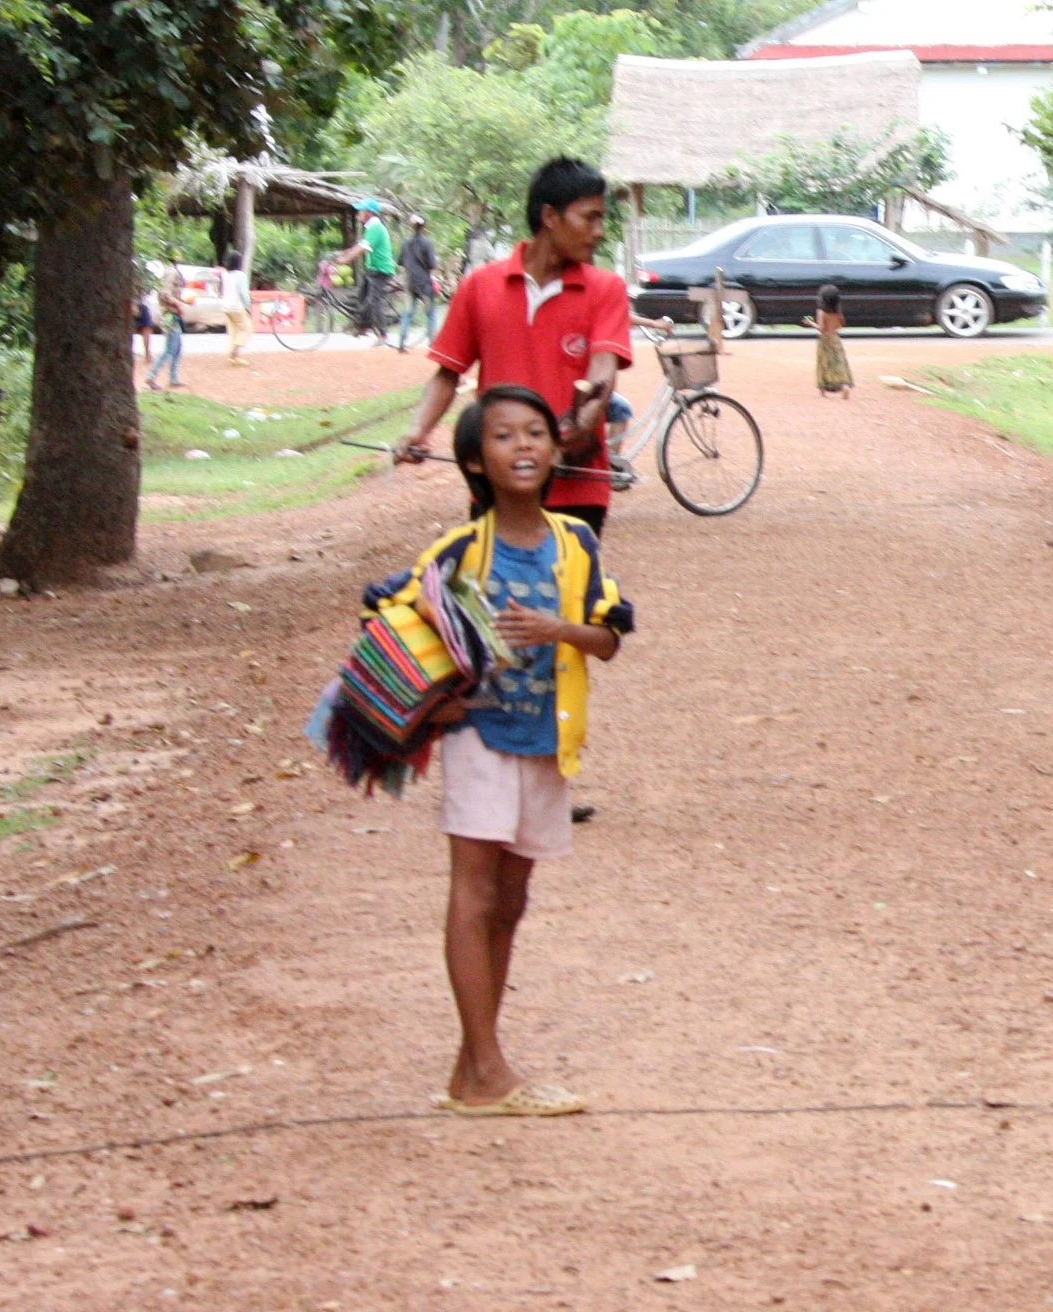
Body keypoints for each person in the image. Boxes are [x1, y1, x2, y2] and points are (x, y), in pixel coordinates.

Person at [369, 384, 634, 1117]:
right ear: (475, 462)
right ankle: (490, 1069)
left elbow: (609, 639)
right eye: (503, 437)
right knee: (475, 890)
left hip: (548, 741)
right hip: (478, 738)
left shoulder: (577, 544)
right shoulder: (457, 553)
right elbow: (390, 623)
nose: (523, 447)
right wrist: (433, 707)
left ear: (559, 449)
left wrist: (561, 631)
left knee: (511, 900)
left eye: (536, 434)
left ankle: (470, 1070)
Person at [400, 157, 632, 540]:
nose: (599, 231)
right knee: (496, 597)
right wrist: (417, 431)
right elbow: (447, 373)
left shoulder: (606, 289)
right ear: (550, 217)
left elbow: (601, 376)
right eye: (589, 218)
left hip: (577, 488)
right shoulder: (480, 286)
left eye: (600, 219)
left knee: (567, 596)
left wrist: (573, 431)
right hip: (497, 488)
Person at [330, 197, 398, 337]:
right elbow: (359, 246)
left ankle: (383, 333)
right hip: (371, 270)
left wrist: (345, 260)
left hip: (381, 270)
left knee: (373, 302)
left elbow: (362, 249)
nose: (358, 214)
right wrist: (343, 254)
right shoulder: (371, 228)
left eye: (360, 211)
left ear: (368, 213)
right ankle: (362, 327)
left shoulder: (376, 227)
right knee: (361, 298)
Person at [395, 215, 440, 352]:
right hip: (424, 283)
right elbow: (432, 264)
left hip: (410, 282)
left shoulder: (406, 243)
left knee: (407, 313)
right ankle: (433, 343)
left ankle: (402, 343)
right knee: (430, 313)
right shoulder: (427, 243)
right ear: (423, 227)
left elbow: (400, 262)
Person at [807, 283, 854, 398]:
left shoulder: (821, 312)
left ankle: (823, 389)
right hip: (836, 339)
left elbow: (821, 328)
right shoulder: (837, 312)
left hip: (825, 340)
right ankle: (844, 385)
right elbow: (841, 324)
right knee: (839, 362)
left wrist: (810, 323)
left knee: (824, 363)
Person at [145, 267, 185, 391]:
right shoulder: (165, 289)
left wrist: (181, 302)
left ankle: (173, 378)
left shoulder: (169, 288)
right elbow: (167, 296)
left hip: (173, 318)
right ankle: (151, 376)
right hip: (170, 318)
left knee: (177, 349)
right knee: (169, 350)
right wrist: (177, 303)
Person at [219, 250, 253, 367]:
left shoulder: (225, 275)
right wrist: (248, 306)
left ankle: (233, 357)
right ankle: (233, 354)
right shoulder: (241, 276)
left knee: (233, 331)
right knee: (246, 329)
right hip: (236, 307)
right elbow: (244, 294)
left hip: (226, 306)